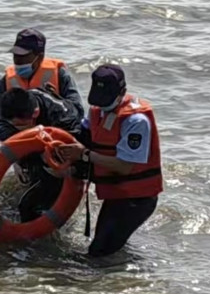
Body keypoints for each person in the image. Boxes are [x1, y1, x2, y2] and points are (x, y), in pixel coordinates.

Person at [57, 64, 163, 258]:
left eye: (105, 100)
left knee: (98, 254)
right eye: (98, 99)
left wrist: (83, 155)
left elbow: (124, 166)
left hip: (136, 199)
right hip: (115, 194)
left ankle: (124, 281)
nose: (101, 105)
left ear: (122, 92)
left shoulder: (136, 121)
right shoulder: (97, 110)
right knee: (104, 248)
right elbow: (84, 135)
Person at [0, 87, 82, 222]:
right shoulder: (14, 108)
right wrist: (17, 161)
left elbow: (77, 149)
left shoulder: (63, 116)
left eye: (21, 125)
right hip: (40, 150)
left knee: (29, 206)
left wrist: (55, 164)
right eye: (14, 125)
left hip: (63, 148)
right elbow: (4, 131)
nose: (17, 129)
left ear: (35, 114)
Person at [0, 27, 84, 142]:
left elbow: (78, 113)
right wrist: (26, 134)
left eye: (23, 56)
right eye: (15, 55)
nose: (17, 61)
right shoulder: (5, 82)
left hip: (56, 139)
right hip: (21, 142)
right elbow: (0, 123)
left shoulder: (60, 75)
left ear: (39, 56)